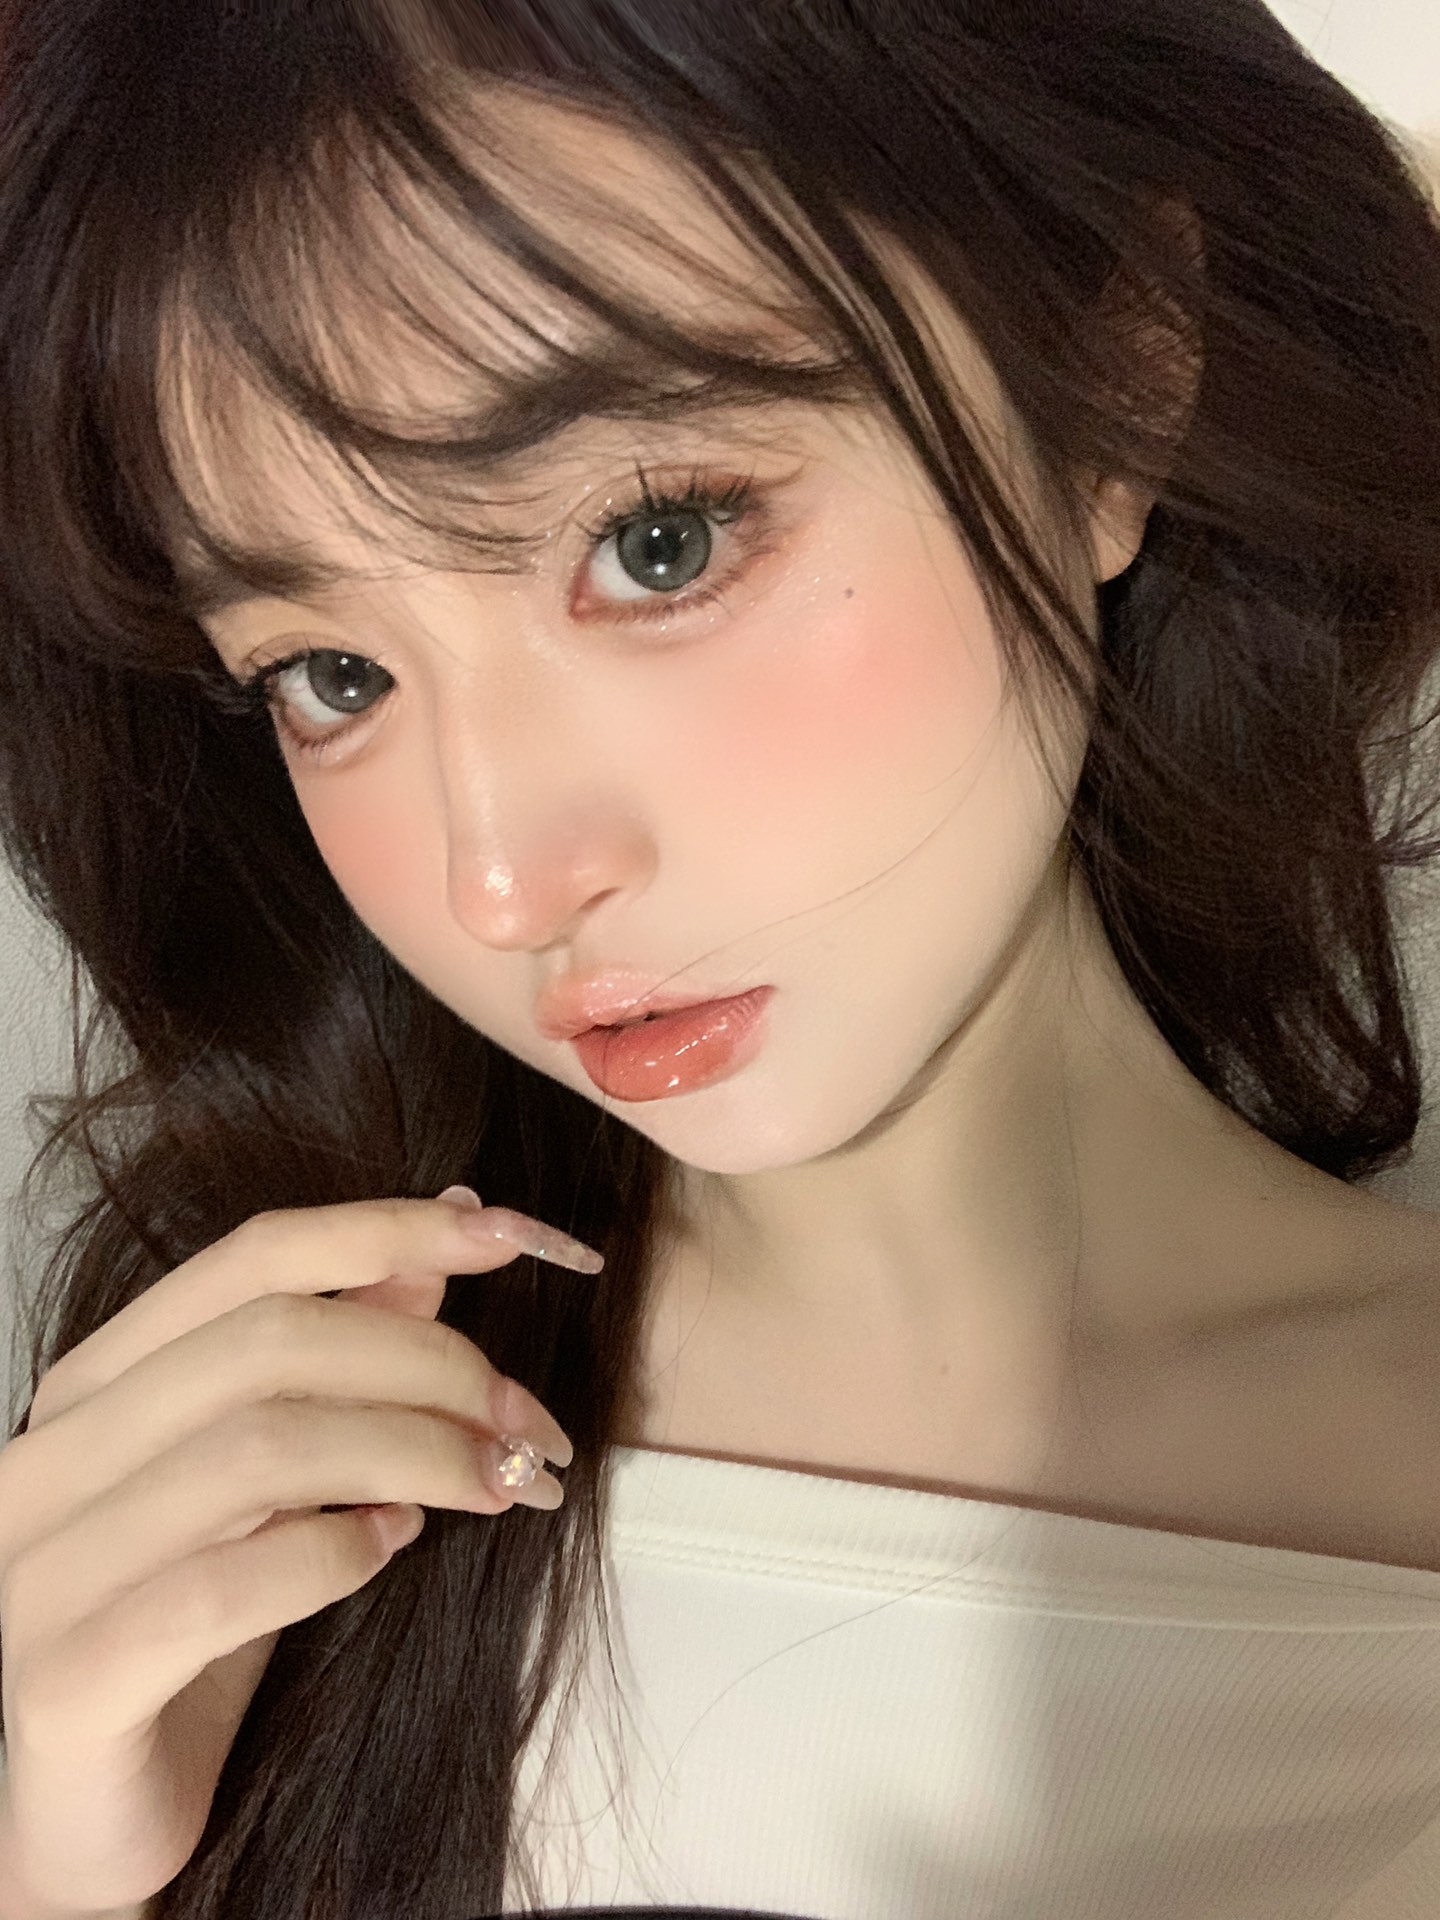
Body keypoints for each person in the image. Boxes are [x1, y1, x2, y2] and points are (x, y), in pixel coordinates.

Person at [0, 1, 1437, 1915]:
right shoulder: (264, 1458)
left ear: (1115, 383)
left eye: (659, 543)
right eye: (331, 675)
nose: (501, 880)